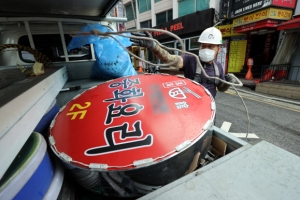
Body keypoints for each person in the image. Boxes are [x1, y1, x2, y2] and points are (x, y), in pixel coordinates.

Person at [130, 27, 236, 98]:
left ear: (219, 48)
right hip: (191, 108)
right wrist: (154, 47)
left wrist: (228, 83)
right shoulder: (191, 60)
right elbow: (170, 59)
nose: (205, 49)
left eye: (210, 46)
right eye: (203, 46)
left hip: (208, 110)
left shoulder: (218, 67)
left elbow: (221, 88)